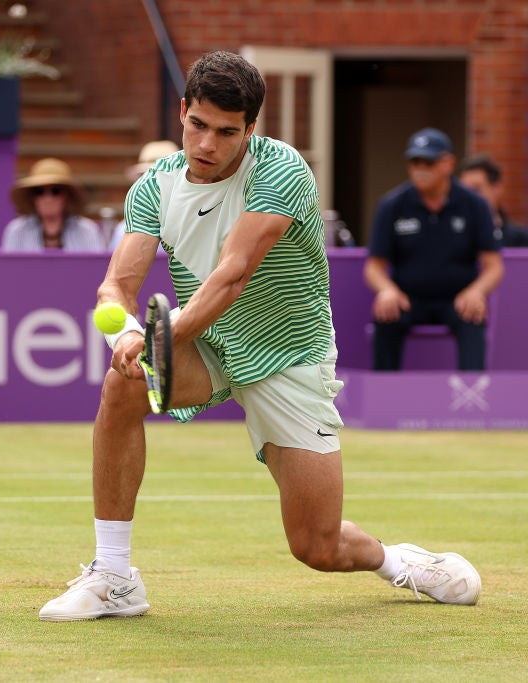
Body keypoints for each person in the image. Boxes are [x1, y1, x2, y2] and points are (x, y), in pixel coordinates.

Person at [38, 51, 481, 623]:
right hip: (210, 346)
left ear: (251, 129)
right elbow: (116, 285)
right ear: (181, 112)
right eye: (198, 125)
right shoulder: (155, 187)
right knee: (121, 388)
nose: (207, 144)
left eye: (227, 132)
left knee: (316, 546)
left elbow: (233, 272)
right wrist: (125, 332)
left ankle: (397, 561)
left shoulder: (281, 171)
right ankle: (114, 577)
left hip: (288, 354)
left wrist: (161, 336)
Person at [364, 128, 503, 372]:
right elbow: (374, 267)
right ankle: (384, 395)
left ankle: (472, 396)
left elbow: (494, 266)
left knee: (473, 313)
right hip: (408, 299)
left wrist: (476, 291)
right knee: (386, 313)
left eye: (428, 162)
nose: (420, 169)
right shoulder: (392, 204)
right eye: (414, 162)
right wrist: (387, 290)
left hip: (458, 299)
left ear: (448, 163)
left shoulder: (474, 204)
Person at [1, 158, 106, 252]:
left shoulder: (88, 231)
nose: (48, 198)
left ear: (66, 196)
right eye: (40, 191)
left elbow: (97, 270)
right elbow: (8, 271)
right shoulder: (16, 231)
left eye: (55, 191)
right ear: (33, 197)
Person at [110, 140, 180, 250]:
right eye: (147, 178)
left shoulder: (195, 222)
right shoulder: (124, 229)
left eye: (163, 177)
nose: (153, 185)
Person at [457, 154, 528, 248]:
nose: (469, 197)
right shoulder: (450, 235)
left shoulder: (520, 240)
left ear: (497, 188)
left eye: (476, 189)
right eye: (464, 191)